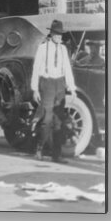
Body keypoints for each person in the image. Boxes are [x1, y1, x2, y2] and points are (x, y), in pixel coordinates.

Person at [31, 19, 77, 163]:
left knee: (58, 122)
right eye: (56, 34)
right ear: (51, 34)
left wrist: (72, 88)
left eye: (60, 35)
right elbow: (36, 69)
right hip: (47, 84)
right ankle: (39, 149)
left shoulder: (63, 49)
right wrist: (35, 89)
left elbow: (67, 70)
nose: (59, 37)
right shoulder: (43, 48)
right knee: (46, 120)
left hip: (60, 85)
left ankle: (56, 155)